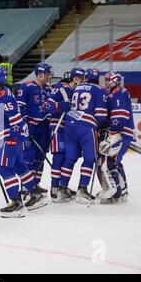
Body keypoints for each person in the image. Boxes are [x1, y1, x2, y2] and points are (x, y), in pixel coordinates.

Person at [0, 67, 45, 217]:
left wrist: (17, 135)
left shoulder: (4, 96)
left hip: (10, 137)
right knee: (19, 166)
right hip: (8, 136)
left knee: (4, 169)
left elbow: (15, 119)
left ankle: (16, 203)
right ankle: (35, 194)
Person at [59, 68, 108, 204]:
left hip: (69, 124)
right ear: (98, 78)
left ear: (85, 78)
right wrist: (99, 126)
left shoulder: (78, 87)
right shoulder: (99, 89)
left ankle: (61, 189)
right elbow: (101, 115)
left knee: (69, 158)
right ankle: (82, 189)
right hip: (86, 128)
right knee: (89, 158)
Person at [98, 71, 135, 203]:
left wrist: (113, 132)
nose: (106, 82)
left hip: (120, 132)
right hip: (121, 132)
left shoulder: (119, 92)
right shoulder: (114, 93)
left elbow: (120, 115)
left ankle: (116, 194)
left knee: (110, 162)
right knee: (115, 161)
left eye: (108, 80)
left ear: (114, 80)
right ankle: (123, 191)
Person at [16, 62, 52, 197]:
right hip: (30, 125)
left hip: (44, 126)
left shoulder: (48, 89)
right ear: (40, 74)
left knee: (41, 156)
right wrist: (25, 123)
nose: (49, 77)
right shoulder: (26, 86)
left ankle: (35, 183)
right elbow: (20, 106)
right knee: (28, 156)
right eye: (47, 74)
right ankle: (26, 186)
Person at [47, 68, 80, 202]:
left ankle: (62, 187)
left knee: (69, 157)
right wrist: (58, 107)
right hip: (57, 126)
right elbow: (48, 104)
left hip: (68, 128)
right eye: (80, 78)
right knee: (59, 157)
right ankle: (54, 189)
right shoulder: (61, 87)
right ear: (75, 78)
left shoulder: (76, 92)